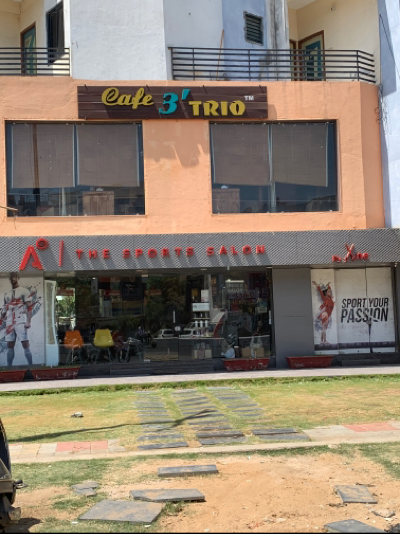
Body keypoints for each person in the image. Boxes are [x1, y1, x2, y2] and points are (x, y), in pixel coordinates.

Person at [1, 273, 33, 366]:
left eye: (14, 277)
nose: (12, 278)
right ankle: (9, 367)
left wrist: (28, 321)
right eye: (11, 277)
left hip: (20, 321)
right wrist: (1, 321)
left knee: (25, 343)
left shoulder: (24, 291)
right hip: (9, 322)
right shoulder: (7, 293)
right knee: (10, 345)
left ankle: (31, 366)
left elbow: (29, 307)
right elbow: (4, 309)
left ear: (18, 278)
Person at [312, 281, 335, 345]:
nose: (330, 293)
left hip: (328, 315)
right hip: (325, 314)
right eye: (328, 292)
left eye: (330, 292)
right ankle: (324, 341)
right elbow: (320, 292)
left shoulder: (330, 299)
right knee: (324, 328)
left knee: (324, 328)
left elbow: (328, 290)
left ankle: (322, 341)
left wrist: (328, 285)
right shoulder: (325, 298)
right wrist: (316, 284)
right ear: (326, 293)